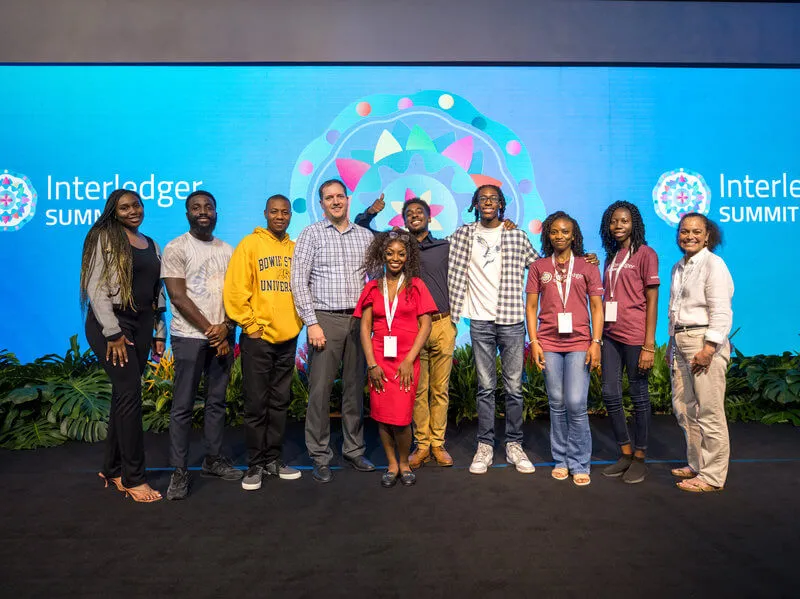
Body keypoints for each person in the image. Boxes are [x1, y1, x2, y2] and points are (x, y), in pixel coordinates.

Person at [355, 196, 456, 468]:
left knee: (440, 389)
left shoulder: (445, 246)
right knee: (418, 390)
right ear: (404, 219)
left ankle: (438, 443)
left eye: (419, 212)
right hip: (413, 329)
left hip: (442, 323)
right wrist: (370, 212)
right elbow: (361, 226)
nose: (414, 215)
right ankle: (422, 444)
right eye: (409, 212)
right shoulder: (399, 247)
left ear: (429, 217)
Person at [80, 189, 165, 503]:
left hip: (142, 325)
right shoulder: (105, 238)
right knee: (130, 394)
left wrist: (159, 331)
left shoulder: (152, 244)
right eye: (125, 207)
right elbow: (95, 287)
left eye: (137, 205)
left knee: (123, 396)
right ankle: (133, 478)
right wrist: (113, 333)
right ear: (113, 212)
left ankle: (112, 468)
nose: (133, 211)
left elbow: (158, 292)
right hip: (111, 325)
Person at [448, 184, 538, 475]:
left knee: (513, 388)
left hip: (511, 320)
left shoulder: (516, 235)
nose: (488, 202)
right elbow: (430, 250)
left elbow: (540, 267)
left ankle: (514, 444)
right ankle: (485, 446)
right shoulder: (462, 235)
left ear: (501, 204)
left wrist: (581, 257)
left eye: (493, 198)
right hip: (479, 321)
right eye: (482, 198)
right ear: (475, 204)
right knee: (485, 388)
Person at [291, 179, 376, 483]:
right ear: (322, 203)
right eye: (330, 198)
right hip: (324, 320)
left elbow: (376, 279)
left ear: (348, 200)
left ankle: (354, 450)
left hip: (358, 321)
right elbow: (298, 281)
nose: (336, 201)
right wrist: (311, 323)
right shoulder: (311, 234)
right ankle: (320, 454)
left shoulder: (365, 236)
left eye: (340, 196)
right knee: (320, 391)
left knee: (354, 389)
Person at [161, 190, 241, 501]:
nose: (203, 211)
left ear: (217, 212)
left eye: (209, 206)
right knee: (182, 407)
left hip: (222, 336)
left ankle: (212, 460)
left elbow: (235, 296)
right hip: (190, 337)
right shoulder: (176, 247)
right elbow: (178, 297)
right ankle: (179, 471)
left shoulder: (227, 250)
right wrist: (213, 332)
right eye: (196, 207)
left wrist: (227, 328)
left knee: (217, 402)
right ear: (187, 213)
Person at [225, 194, 304, 491]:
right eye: (275, 211)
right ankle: (255, 464)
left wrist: (297, 324)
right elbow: (235, 290)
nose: (280, 216)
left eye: (285, 212)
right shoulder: (250, 244)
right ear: (265, 213)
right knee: (257, 403)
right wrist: (250, 325)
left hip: (287, 337)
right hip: (258, 338)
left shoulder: (296, 249)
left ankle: (273, 459)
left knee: (280, 402)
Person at [526, 211, 603, 487]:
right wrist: (534, 343)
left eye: (565, 232)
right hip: (547, 342)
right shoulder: (538, 267)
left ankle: (580, 462)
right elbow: (531, 307)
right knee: (556, 404)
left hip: (580, 342)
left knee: (576, 404)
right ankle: (560, 460)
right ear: (548, 234)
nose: (560, 236)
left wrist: (596, 343)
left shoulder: (587, 266)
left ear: (574, 235)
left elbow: (596, 306)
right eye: (555, 232)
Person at [355, 232, 436, 487]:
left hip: (406, 361)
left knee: (401, 418)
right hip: (379, 361)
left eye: (401, 254)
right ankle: (391, 464)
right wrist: (372, 364)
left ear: (408, 257)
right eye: (390, 253)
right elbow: (365, 328)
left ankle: (404, 462)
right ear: (382, 255)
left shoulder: (417, 286)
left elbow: (425, 326)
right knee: (381, 416)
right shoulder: (372, 287)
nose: (395, 258)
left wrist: (409, 359)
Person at [668, 212, 733, 493]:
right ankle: (696, 464)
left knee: (709, 411)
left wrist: (709, 347)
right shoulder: (679, 266)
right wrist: (672, 342)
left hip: (703, 340)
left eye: (696, 231)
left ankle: (713, 476)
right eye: (684, 231)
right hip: (680, 339)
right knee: (684, 409)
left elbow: (721, 310)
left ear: (707, 235)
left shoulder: (713, 264)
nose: (690, 236)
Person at [598, 201, 660, 484]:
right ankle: (624, 452)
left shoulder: (646, 254)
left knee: (639, 396)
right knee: (610, 393)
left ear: (634, 222)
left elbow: (652, 301)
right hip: (611, 335)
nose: (618, 225)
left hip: (636, 337)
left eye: (623, 220)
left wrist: (649, 345)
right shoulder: (611, 257)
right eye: (613, 221)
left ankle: (640, 457)